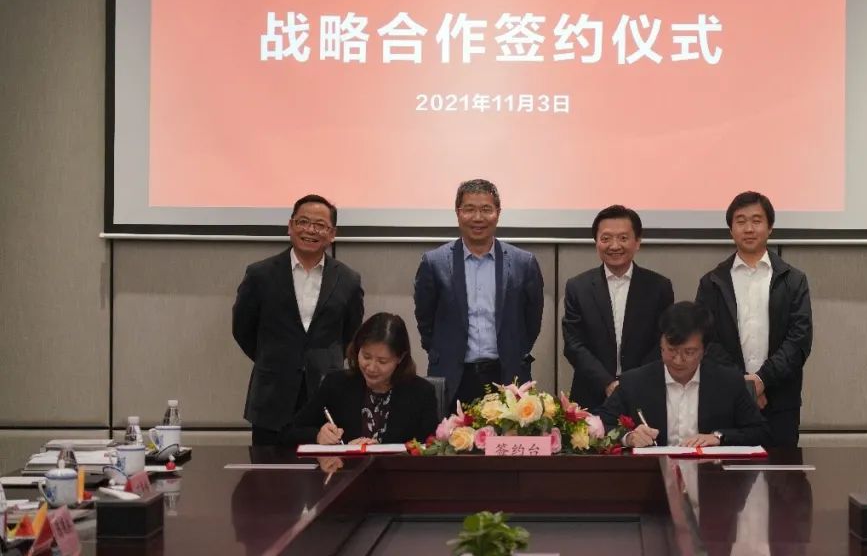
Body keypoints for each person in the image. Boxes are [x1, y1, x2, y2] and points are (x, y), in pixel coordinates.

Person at [232, 194, 365, 445]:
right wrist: (273, 357)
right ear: (290, 226)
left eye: (320, 225)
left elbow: (351, 334)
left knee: (325, 466)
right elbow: (242, 329)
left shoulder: (348, 280)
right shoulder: (260, 274)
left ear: (332, 234)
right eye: (303, 222)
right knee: (266, 466)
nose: (310, 230)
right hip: (272, 394)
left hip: (324, 392)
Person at [414, 179, 544, 411]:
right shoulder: (434, 263)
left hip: (507, 376)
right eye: (469, 209)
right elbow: (426, 321)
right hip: (454, 376)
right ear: (458, 213)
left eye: (486, 209)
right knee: (451, 435)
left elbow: (532, 321)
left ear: (498, 213)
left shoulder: (523, 263)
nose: (477, 218)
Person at [694, 191, 812, 447]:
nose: (749, 228)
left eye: (757, 221)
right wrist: (743, 386)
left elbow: (799, 340)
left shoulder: (793, 280)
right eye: (741, 221)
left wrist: (762, 380)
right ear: (731, 230)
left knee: (782, 471)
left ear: (770, 228)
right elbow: (706, 342)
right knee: (725, 472)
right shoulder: (711, 282)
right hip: (727, 401)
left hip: (780, 402)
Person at [597, 301, 770, 447]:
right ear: (661, 344)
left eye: (689, 352)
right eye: (671, 350)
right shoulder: (634, 382)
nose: (678, 360)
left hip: (710, 472)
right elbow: (600, 424)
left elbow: (760, 432)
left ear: (704, 350)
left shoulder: (729, 382)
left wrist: (718, 437)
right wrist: (628, 437)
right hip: (654, 472)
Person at [562, 205, 674, 410]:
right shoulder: (577, 287)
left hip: (644, 391)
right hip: (591, 394)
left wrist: (632, 382)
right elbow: (574, 345)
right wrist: (607, 383)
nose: (614, 246)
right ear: (596, 242)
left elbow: (663, 341)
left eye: (623, 238)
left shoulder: (659, 287)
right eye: (606, 238)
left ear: (637, 242)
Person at [280, 312, 439, 445]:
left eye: (382, 361)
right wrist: (318, 435)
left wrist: (383, 453)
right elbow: (290, 432)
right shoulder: (336, 384)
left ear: (400, 358)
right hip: (343, 471)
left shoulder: (421, 393)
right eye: (366, 356)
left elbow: (431, 447)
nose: (371, 367)